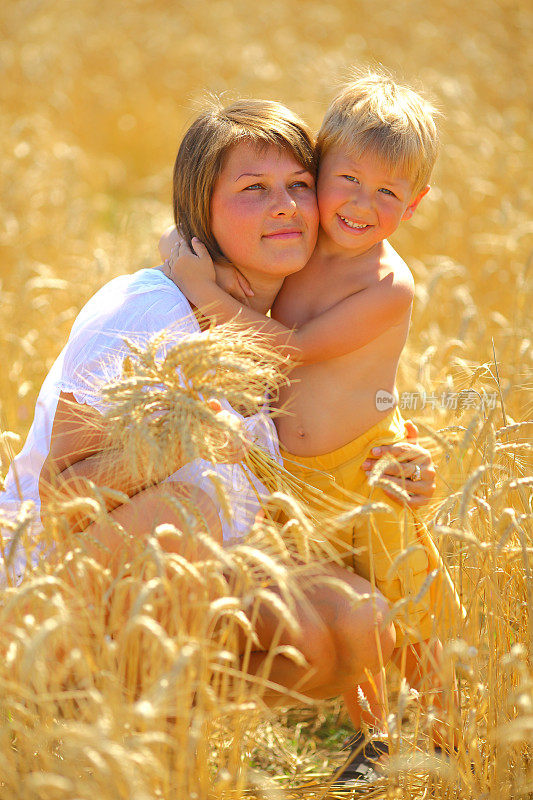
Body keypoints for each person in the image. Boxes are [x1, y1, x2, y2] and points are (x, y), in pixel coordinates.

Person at [1, 97, 434, 732]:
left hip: (193, 579)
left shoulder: (280, 327)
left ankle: (147, 731)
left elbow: (335, 439)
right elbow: (62, 497)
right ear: (201, 206)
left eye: (299, 185)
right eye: (254, 188)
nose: (284, 205)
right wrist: (177, 443)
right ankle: (45, 698)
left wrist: (399, 465)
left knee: (351, 621)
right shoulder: (144, 310)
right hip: (49, 592)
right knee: (185, 514)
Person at [165, 74, 462, 780]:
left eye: (388, 193)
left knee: (410, 614)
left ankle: (454, 739)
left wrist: (200, 289)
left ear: (414, 205)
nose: (362, 205)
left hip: (366, 471)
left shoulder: (385, 284)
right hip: (289, 476)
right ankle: (373, 739)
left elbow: (286, 350)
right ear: (319, 173)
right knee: (355, 618)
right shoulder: (292, 256)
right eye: (348, 181)